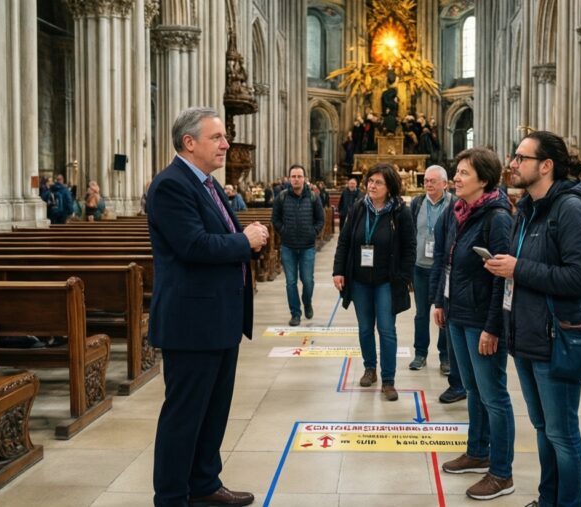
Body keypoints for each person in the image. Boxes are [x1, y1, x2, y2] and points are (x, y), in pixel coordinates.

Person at [148, 106, 269, 507]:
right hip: (192, 322)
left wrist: (243, 239)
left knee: (213, 412)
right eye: (217, 137)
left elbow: (217, 235)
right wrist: (245, 241)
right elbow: (193, 245)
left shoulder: (208, 184)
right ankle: (171, 497)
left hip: (219, 318)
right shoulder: (171, 185)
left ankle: (203, 483)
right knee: (184, 416)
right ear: (189, 142)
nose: (226, 143)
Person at [485, 131, 581, 507]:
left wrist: (519, 269)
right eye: (514, 156)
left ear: (546, 165)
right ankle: (547, 499)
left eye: (521, 157)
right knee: (542, 428)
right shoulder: (527, 209)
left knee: (563, 434)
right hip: (528, 336)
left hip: (557, 339)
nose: (513, 164)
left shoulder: (569, 209)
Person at [432, 148, 516, 501]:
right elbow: (447, 259)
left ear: (483, 179)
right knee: (472, 389)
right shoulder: (457, 211)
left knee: (494, 395)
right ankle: (477, 450)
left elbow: (503, 279)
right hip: (458, 313)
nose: (457, 177)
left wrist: (493, 326)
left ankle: (501, 472)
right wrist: (440, 300)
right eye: (457, 171)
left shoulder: (497, 217)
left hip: (483, 319)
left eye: (464, 173)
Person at [332, 164, 416, 401]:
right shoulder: (358, 208)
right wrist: (339, 270)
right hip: (359, 279)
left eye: (378, 182)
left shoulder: (401, 212)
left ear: (389, 187)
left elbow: (410, 247)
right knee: (365, 327)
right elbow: (344, 241)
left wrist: (404, 276)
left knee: (387, 330)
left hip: (386, 281)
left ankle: (388, 379)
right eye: (370, 181)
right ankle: (370, 368)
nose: (372, 185)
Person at [408, 166, 460, 382]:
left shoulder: (455, 204)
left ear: (445, 184)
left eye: (433, 181)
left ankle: (445, 356)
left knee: (443, 315)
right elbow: (410, 235)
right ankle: (420, 354)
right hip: (420, 268)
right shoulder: (417, 203)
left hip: (444, 270)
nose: (428, 184)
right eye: (426, 181)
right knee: (421, 314)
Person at [272, 165, 325, 326]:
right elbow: (275, 219)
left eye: (299, 176)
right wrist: (284, 231)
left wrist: (312, 232)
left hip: (307, 246)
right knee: (290, 282)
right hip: (288, 246)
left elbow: (320, 219)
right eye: (293, 176)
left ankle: (307, 302)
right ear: (289, 178)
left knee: (308, 281)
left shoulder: (314, 197)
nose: (296, 179)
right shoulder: (281, 197)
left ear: (304, 178)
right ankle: (295, 313)